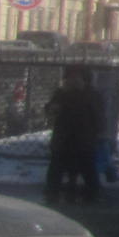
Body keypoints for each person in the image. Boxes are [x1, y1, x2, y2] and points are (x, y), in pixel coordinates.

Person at [45, 64, 107, 205]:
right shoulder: (61, 94)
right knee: (56, 166)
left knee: (87, 167)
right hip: (64, 138)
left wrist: (98, 132)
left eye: (77, 78)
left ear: (85, 80)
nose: (73, 81)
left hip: (83, 138)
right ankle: (52, 193)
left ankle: (92, 193)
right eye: (70, 78)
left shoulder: (91, 94)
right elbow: (50, 108)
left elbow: (99, 116)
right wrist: (53, 108)